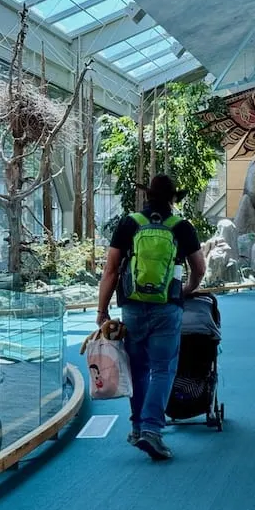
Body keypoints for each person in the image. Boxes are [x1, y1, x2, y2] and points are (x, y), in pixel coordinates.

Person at [97, 175, 206, 461]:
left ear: (147, 196)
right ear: (173, 199)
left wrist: (101, 310)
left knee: (138, 369)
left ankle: (137, 427)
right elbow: (199, 268)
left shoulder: (130, 223)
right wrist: (188, 289)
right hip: (167, 308)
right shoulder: (181, 227)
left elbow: (110, 270)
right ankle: (152, 431)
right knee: (162, 369)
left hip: (132, 307)